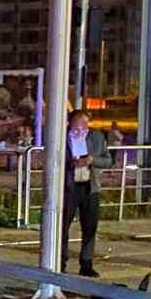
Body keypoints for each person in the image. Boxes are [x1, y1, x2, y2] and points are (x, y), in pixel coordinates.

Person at [62, 109, 113, 277]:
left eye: (86, 124)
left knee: (90, 227)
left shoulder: (96, 137)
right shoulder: (62, 137)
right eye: (79, 125)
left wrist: (92, 160)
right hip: (68, 186)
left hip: (90, 186)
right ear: (70, 124)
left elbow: (108, 160)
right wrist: (69, 163)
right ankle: (60, 261)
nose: (83, 128)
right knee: (63, 226)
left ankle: (86, 263)